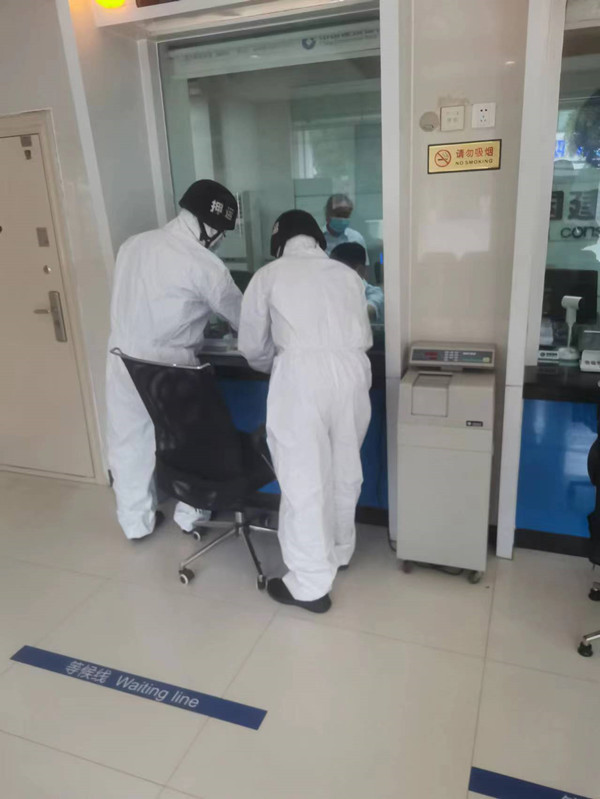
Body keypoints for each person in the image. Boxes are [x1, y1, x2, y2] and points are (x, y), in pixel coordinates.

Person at [238, 210, 373, 613]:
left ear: (278, 242)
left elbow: (251, 346)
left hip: (300, 377)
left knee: (304, 479)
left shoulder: (269, 275)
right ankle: (340, 550)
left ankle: (310, 584)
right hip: (352, 373)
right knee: (344, 469)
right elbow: (363, 333)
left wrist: (279, 364)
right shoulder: (347, 275)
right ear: (318, 239)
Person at [106, 180, 242, 541]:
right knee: (191, 443)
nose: (219, 241)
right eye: (221, 233)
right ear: (209, 227)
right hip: (170, 366)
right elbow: (244, 319)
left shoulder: (132, 245)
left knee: (128, 442)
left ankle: (135, 524)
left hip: (123, 358)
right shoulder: (205, 264)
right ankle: (190, 516)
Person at [331, 242, 384, 323]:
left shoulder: (375, 294)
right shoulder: (331, 291)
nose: (332, 276)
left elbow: (367, 312)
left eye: (338, 271)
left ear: (360, 271)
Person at [322, 193, 368, 261]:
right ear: (327, 214)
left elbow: (363, 266)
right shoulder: (317, 239)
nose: (342, 219)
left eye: (345, 215)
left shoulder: (356, 238)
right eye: (338, 214)